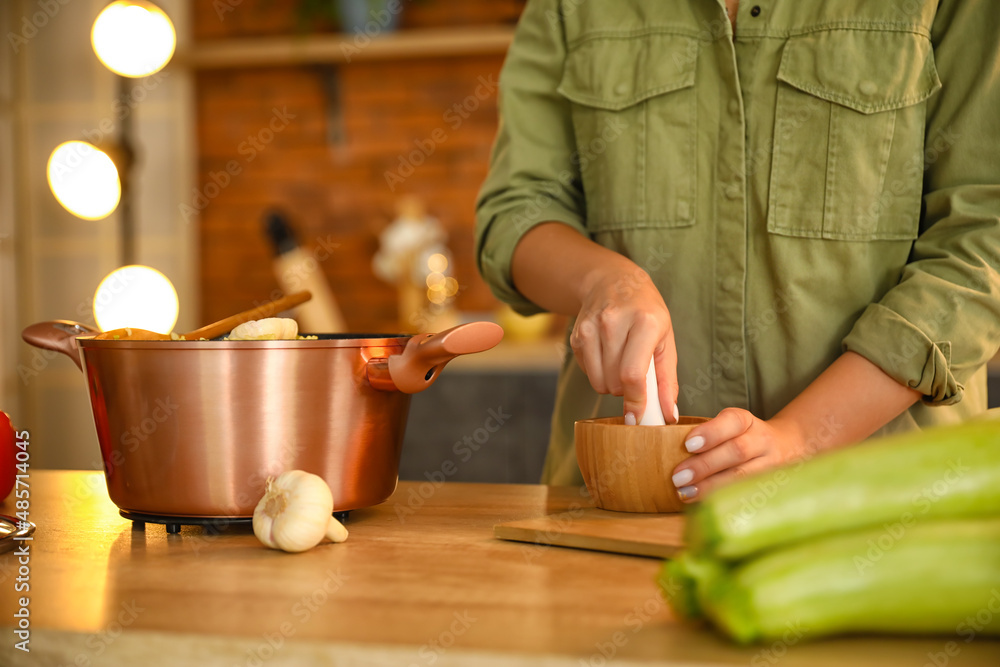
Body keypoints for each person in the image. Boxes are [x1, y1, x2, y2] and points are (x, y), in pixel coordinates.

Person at [474, 0, 1000, 502]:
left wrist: (799, 439)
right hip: (617, 505)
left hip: (888, 517)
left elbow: (982, 238)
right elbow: (514, 213)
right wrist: (603, 281)